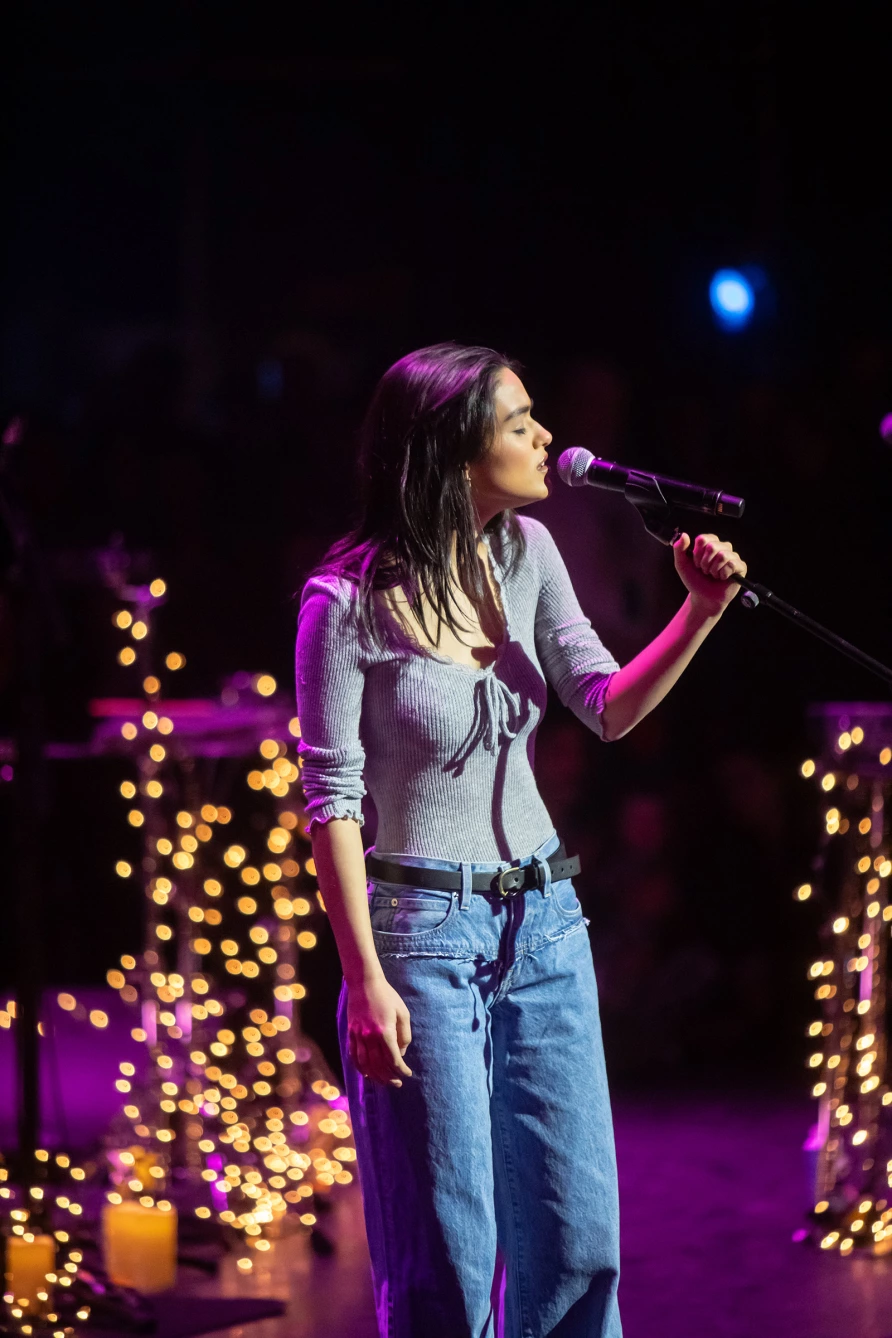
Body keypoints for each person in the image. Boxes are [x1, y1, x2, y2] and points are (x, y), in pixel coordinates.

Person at [294, 342, 746, 1338]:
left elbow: (607, 705)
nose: (547, 438)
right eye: (519, 422)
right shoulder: (343, 605)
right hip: (418, 938)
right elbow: (330, 800)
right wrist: (361, 977)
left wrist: (700, 612)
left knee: (576, 1240)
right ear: (451, 449)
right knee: (446, 1253)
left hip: (545, 922)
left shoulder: (529, 553)